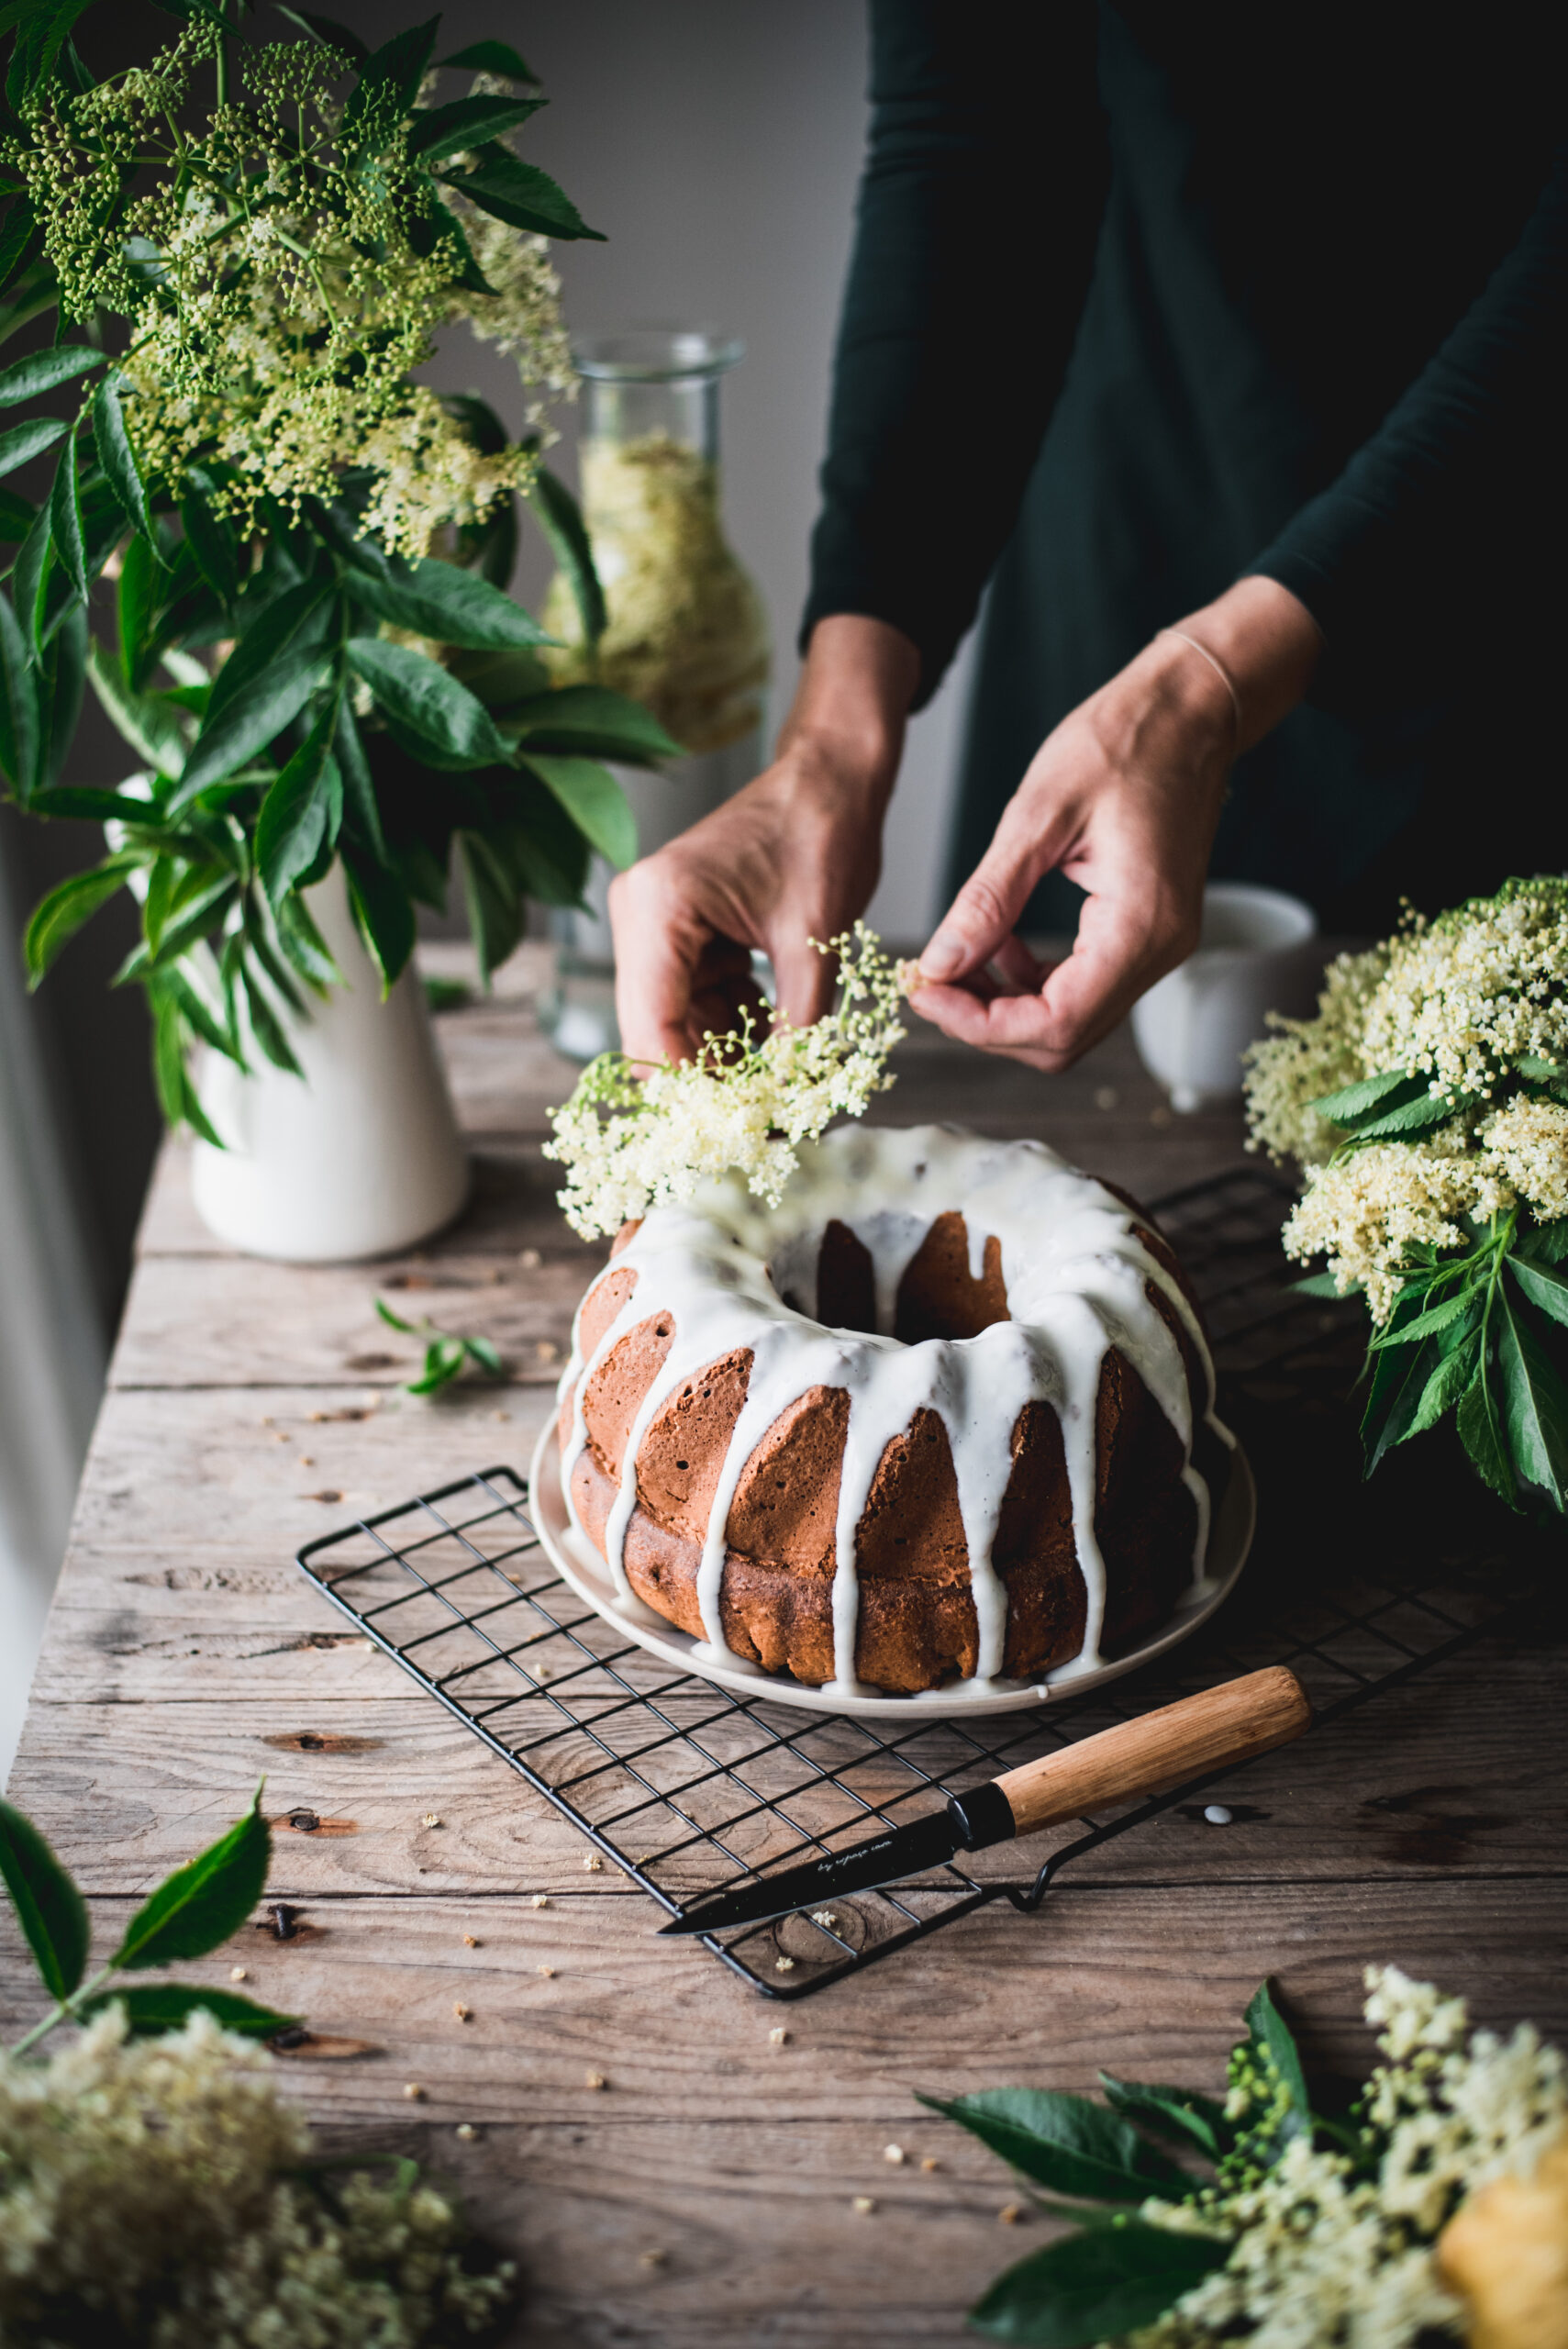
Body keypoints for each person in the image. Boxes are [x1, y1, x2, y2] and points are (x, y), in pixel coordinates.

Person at [610, 5, 1565, 1073]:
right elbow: (967, 133)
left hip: (1515, 525)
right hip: (1137, 474)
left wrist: (1202, 685)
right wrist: (830, 750)